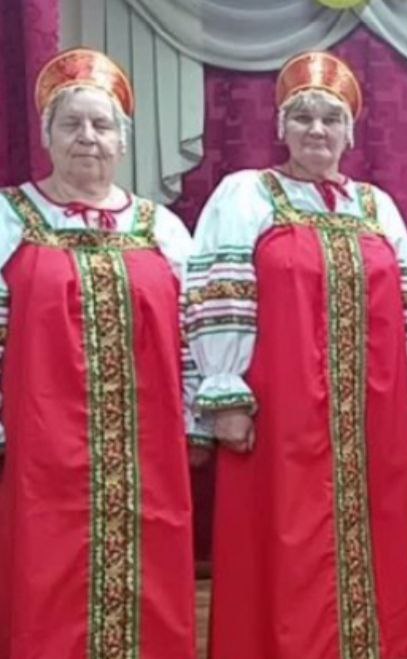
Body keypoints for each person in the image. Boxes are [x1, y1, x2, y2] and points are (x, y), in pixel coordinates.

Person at [186, 51, 407, 658]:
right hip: (280, 410)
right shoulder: (246, 196)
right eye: (303, 117)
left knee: (378, 530)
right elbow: (216, 293)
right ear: (281, 127)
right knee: (286, 535)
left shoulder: (376, 207)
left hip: (373, 413)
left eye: (331, 118)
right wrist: (224, 389)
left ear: (351, 131)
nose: (317, 130)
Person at [0, 48, 204, 658]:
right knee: (45, 572)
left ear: (122, 141)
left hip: (148, 446)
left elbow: (193, 329)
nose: (87, 137)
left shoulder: (160, 228)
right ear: (47, 135)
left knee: (153, 574)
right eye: (72, 124)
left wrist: (197, 415)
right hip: (42, 447)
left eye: (102, 125)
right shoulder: (9, 218)